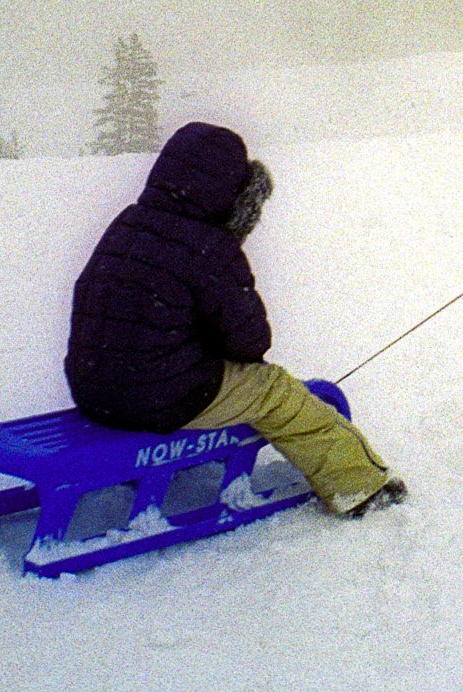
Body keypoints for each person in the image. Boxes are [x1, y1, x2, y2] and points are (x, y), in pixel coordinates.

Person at [65, 120, 405, 516]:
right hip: (155, 398)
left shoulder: (128, 223)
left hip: (93, 390)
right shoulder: (210, 245)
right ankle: (361, 487)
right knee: (275, 391)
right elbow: (251, 342)